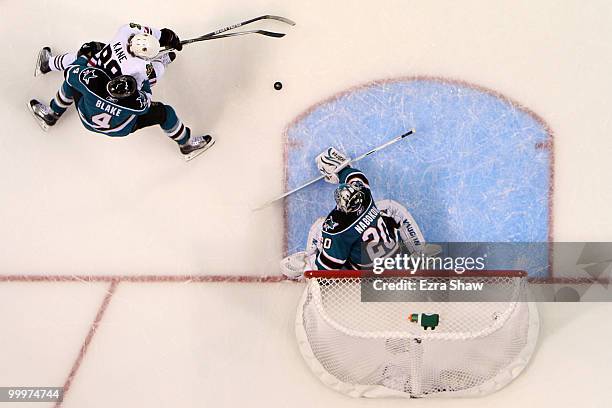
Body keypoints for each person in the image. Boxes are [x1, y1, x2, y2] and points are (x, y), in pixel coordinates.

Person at [280, 147, 438, 278]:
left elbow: (328, 270)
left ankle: (307, 268)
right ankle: (421, 254)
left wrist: (309, 266)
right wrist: (342, 169)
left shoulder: (336, 227)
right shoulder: (364, 195)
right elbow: (356, 177)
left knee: (318, 228)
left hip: (366, 276)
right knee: (391, 208)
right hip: (393, 259)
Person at [28, 55, 213, 161]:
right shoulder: (137, 104)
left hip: (87, 117)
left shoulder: (93, 85)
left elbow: (73, 70)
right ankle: (186, 144)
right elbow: (147, 85)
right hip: (122, 127)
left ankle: (51, 112)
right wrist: (154, 66)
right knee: (165, 113)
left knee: (71, 83)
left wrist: (87, 58)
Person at [34, 22, 183, 88]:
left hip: (92, 68)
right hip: (107, 88)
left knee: (78, 58)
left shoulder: (125, 31)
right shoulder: (140, 65)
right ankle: (162, 60)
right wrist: (169, 38)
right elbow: (150, 80)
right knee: (156, 72)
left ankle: (49, 64)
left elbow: (148, 31)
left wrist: (162, 34)